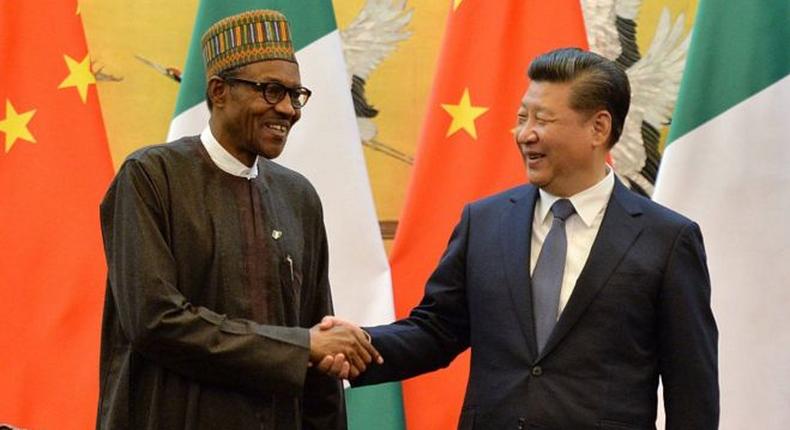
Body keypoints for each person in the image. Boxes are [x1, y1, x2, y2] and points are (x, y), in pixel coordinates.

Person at [322, 48, 719, 429]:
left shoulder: (666, 239)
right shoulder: (485, 221)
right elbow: (436, 331)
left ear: (598, 127)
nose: (525, 134)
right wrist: (357, 344)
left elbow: (692, 391)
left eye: (542, 120)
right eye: (521, 117)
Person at [96, 10, 379, 430]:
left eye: (295, 94)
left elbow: (319, 342)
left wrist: (313, 351)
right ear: (219, 91)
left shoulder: (297, 196)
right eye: (270, 91)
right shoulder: (150, 177)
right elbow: (155, 322)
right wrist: (301, 347)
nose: (288, 109)